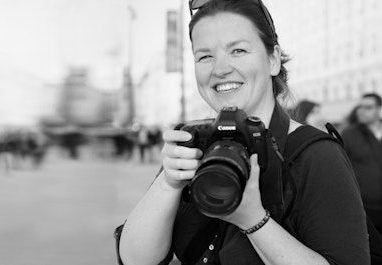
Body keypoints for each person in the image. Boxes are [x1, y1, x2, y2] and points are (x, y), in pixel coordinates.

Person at [119, 0, 369, 264]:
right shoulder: (194, 146)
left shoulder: (316, 156)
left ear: (273, 60)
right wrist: (168, 182)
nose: (220, 69)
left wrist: (254, 221)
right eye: (205, 56)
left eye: (238, 50)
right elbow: (136, 259)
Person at [341, 93, 382, 234]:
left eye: (368, 107)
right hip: (365, 208)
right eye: (360, 107)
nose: (362, 111)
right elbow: (341, 166)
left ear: (379, 109)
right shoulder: (349, 134)